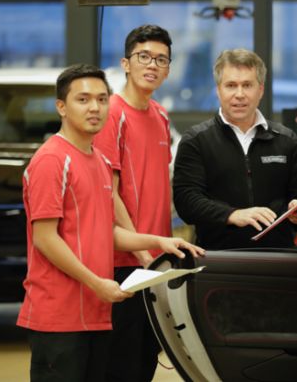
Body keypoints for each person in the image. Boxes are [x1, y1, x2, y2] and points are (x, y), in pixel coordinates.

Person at [17, 63, 204, 382]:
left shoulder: (99, 162)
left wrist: (157, 242)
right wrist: (96, 282)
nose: (95, 108)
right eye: (83, 99)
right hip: (59, 319)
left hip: (97, 315)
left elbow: (108, 233)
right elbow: (44, 239)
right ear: (61, 106)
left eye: (102, 99)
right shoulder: (51, 161)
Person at [173, 48, 297, 250]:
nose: (239, 94)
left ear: (260, 90)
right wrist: (232, 215)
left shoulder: (287, 141)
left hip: (279, 260)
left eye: (247, 85)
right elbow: (186, 202)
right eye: (231, 85)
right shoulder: (196, 140)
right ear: (218, 90)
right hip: (217, 261)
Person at [92, 24, 174, 382]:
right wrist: (140, 249)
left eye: (161, 59)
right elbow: (109, 190)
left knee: (146, 356)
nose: (152, 65)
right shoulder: (112, 113)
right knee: (121, 362)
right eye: (144, 57)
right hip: (125, 261)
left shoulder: (160, 115)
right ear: (126, 63)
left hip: (154, 259)